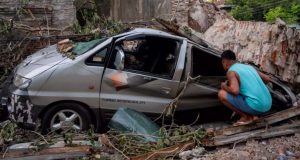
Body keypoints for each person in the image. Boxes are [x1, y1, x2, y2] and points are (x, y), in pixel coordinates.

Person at [218, 50, 272, 126]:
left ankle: (246, 117)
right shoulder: (248, 67)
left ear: (224, 62)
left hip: (257, 107)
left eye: (222, 63)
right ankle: (254, 115)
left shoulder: (231, 72)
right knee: (244, 94)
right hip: (268, 105)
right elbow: (267, 79)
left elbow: (235, 91)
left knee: (221, 94)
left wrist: (224, 86)